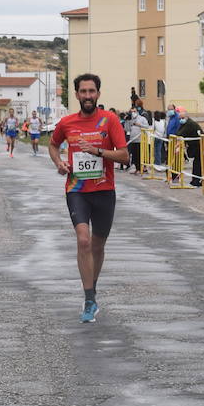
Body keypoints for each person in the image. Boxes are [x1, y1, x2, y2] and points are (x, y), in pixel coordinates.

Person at [49, 73, 129, 323]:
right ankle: (89, 300)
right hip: (77, 190)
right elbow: (53, 145)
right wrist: (59, 162)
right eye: (83, 92)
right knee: (83, 241)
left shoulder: (109, 120)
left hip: (105, 191)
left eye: (91, 91)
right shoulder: (67, 122)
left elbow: (125, 156)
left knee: (97, 245)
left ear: (98, 94)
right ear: (76, 95)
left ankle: (91, 290)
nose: (87, 96)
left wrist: (98, 151)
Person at [174, 107, 204, 186]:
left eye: (182, 118)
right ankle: (195, 180)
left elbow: (181, 134)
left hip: (200, 144)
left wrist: (177, 144)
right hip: (195, 144)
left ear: (186, 117)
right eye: (180, 118)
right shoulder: (184, 123)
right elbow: (178, 133)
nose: (181, 119)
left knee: (198, 163)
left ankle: (197, 181)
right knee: (196, 163)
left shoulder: (189, 123)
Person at [126, 106, 149, 175]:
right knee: (134, 155)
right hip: (133, 139)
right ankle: (136, 168)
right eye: (131, 112)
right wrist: (127, 121)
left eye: (134, 111)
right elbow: (127, 129)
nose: (133, 113)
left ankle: (141, 168)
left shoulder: (142, 118)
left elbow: (147, 126)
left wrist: (139, 125)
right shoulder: (131, 119)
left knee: (140, 155)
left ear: (137, 112)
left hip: (140, 140)